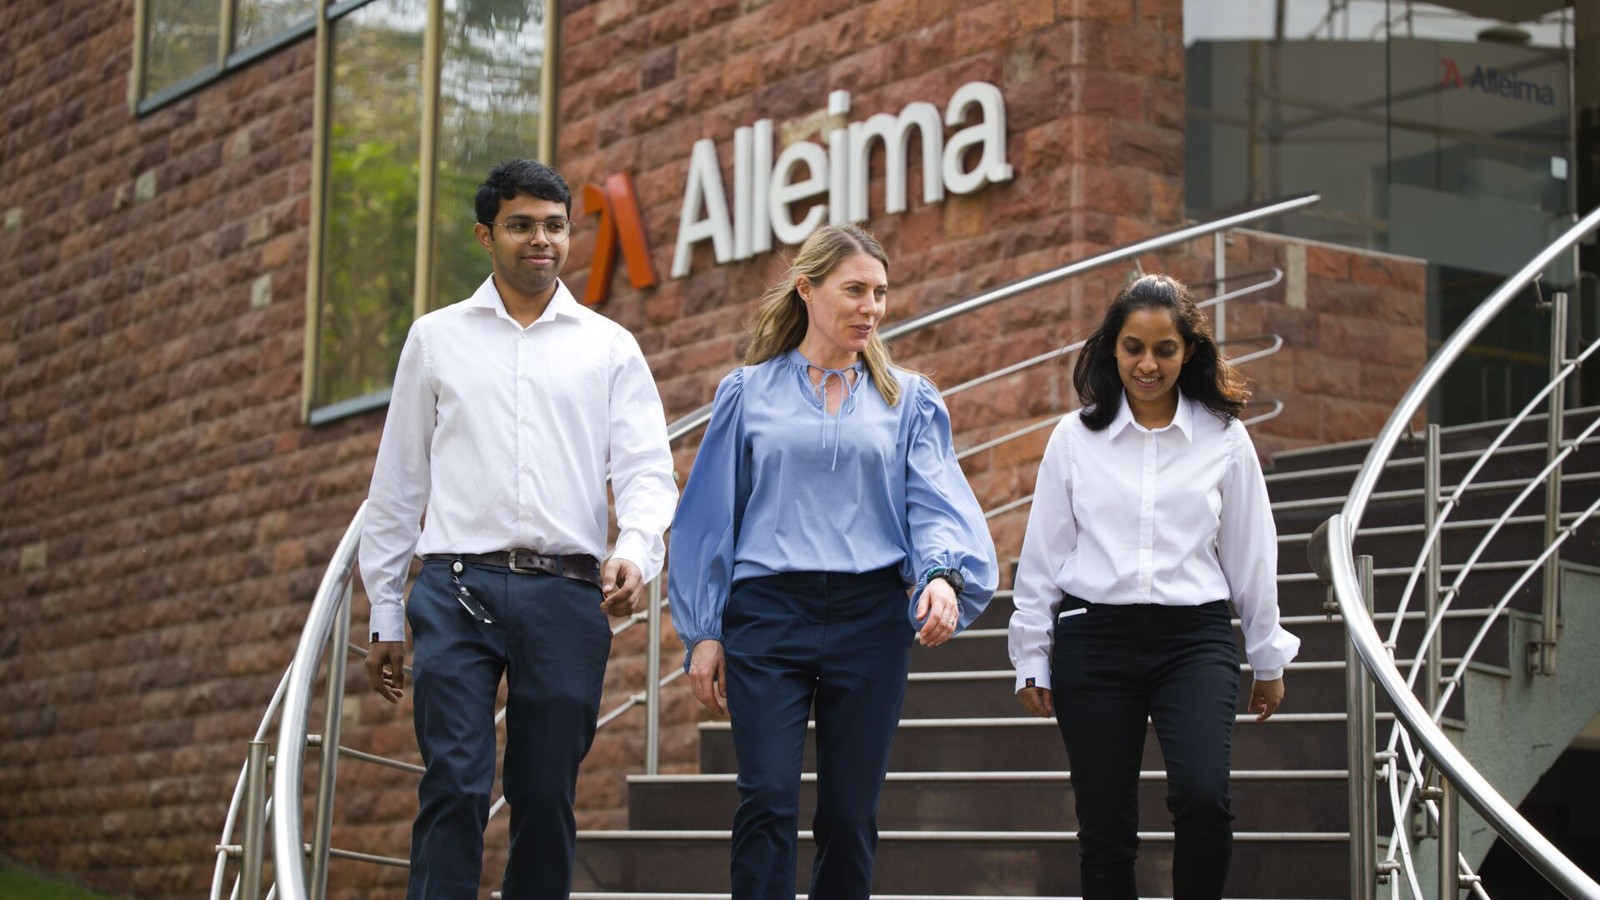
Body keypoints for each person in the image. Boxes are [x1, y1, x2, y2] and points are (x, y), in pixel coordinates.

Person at [358, 158, 678, 900]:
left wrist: (635, 551)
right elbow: (399, 484)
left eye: (556, 226)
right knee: (456, 786)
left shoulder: (609, 346)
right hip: (455, 591)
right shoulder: (435, 340)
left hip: (567, 597)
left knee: (544, 795)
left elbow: (646, 471)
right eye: (522, 225)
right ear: (486, 234)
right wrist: (384, 613)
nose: (542, 240)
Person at [668, 223, 998, 900]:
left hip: (870, 618)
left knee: (849, 817)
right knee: (765, 802)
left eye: (880, 293)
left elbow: (935, 502)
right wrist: (704, 629)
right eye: (854, 290)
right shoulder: (748, 392)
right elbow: (707, 517)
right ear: (807, 289)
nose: (870, 308)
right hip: (766, 617)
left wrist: (939, 575)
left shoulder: (907, 399)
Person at [1007, 274, 1301, 900]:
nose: (1148, 363)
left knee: (1203, 798)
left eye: (1164, 349)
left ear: (1188, 351)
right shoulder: (1074, 437)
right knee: (1105, 825)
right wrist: (1032, 653)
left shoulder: (1225, 438)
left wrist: (1267, 654)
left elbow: (1252, 553)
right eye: (1133, 347)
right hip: (1094, 639)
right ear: (1112, 349)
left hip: (1193, 640)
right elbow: (1043, 554)